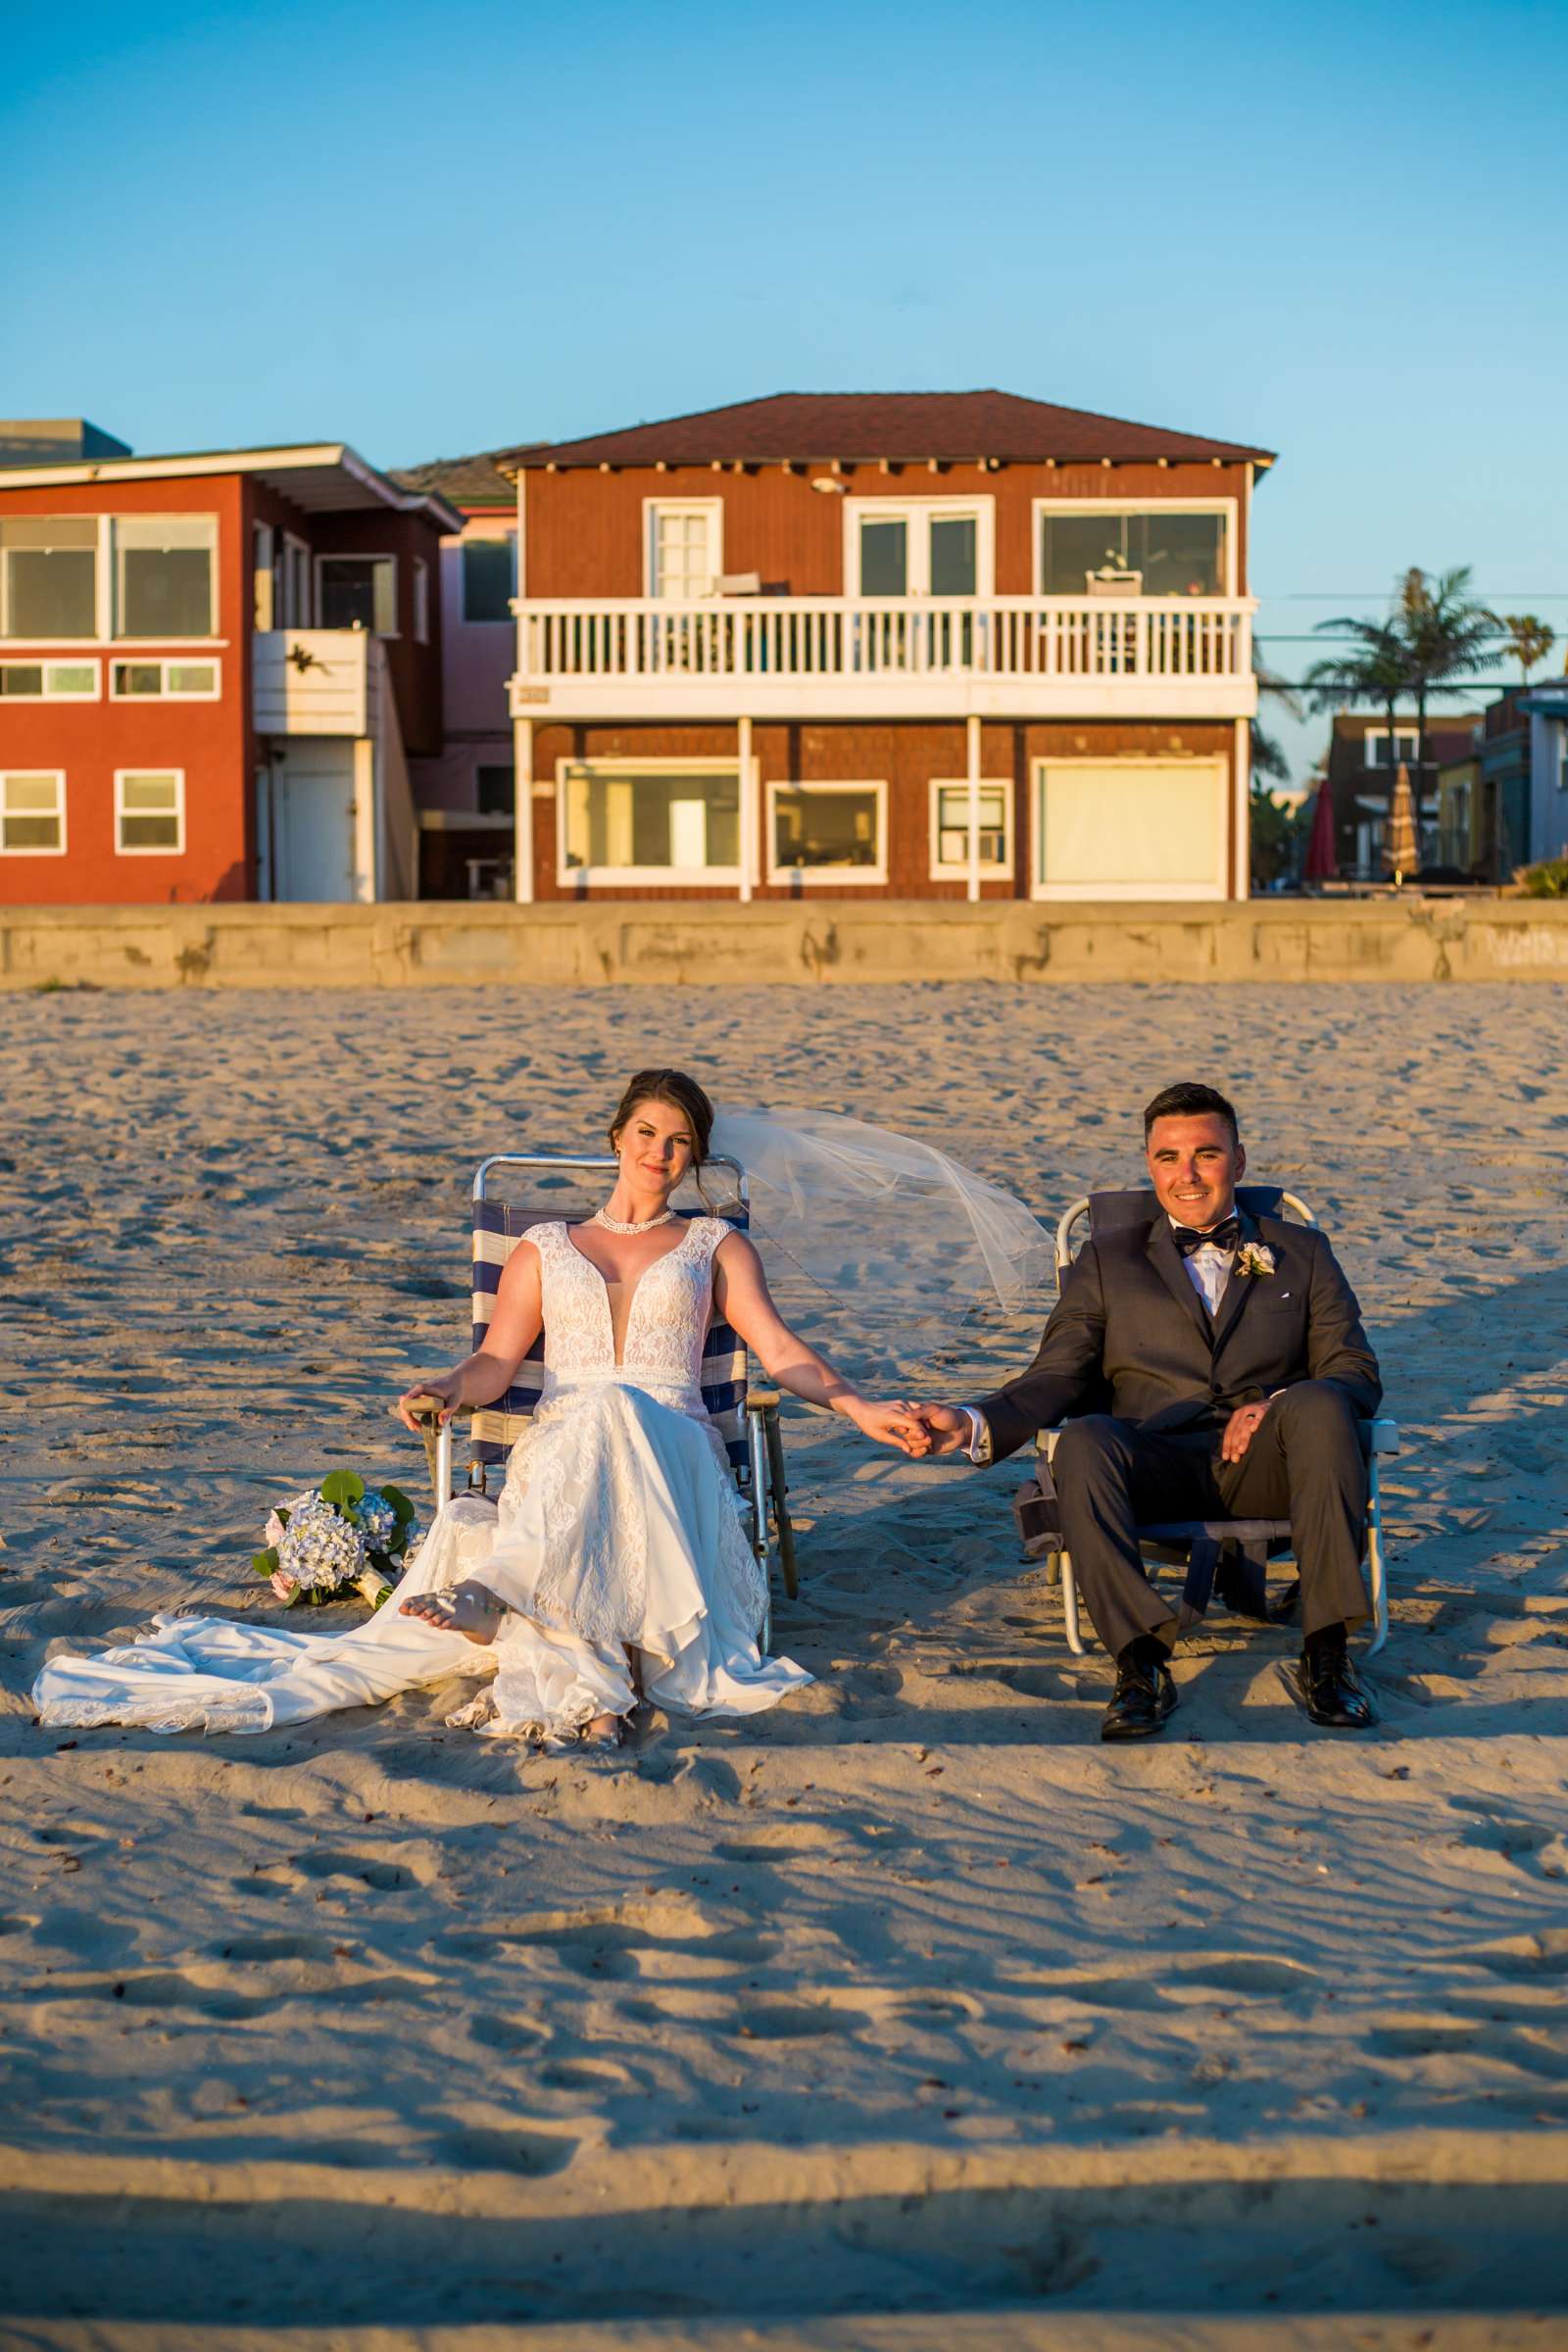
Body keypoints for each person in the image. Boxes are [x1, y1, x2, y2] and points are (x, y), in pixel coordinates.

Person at [32, 1070, 930, 1749]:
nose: (661, 1152)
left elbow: (780, 1354)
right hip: (569, 1444)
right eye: (648, 1132)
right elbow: (497, 1363)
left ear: (692, 1157)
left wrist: (857, 1407)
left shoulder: (713, 1244)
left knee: (618, 1412)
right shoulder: (544, 1247)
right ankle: (584, 1651)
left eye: (681, 1141)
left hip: (672, 1448)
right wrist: (444, 1391)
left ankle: (503, 1599)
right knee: (592, 1415)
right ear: (617, 1136)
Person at [911, 1081, 1383, 1742]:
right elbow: (1057, 1374)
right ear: (1149, 1164)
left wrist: (1276, 1404)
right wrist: (972, 1421)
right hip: (1152, 1464)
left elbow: (1355, 1371)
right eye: (1167, 1157)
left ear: (1239, 1162)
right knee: (1081, 1442)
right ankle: (1140, 1663)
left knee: (1321, 1406)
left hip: (1272, 1468)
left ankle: (1328, 1654)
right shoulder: (1107, 1260)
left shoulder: (1302, 1252)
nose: (1186, 1174)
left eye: (1206, 1154)